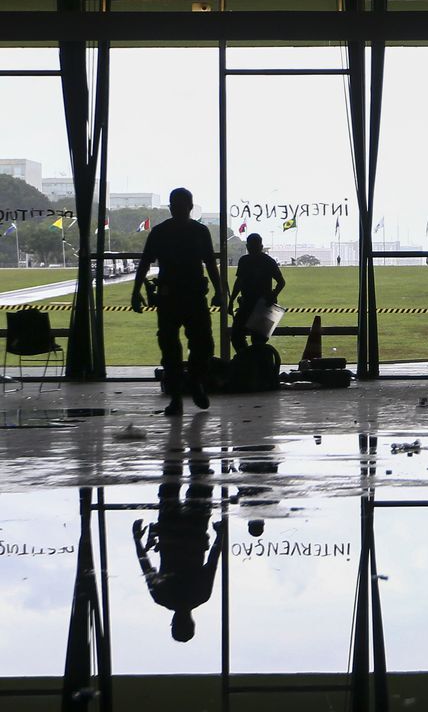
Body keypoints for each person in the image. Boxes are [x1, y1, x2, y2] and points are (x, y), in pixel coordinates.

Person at [131, 187, 223, 416]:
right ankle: (194, 383)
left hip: (170, 298)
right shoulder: (199, 231)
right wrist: (220, 291)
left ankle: (178, 397)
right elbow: (210, 264)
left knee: (172, 349)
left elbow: (144, 263)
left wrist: (136, 292)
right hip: (191, 297)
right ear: (191, 206)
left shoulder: (161, 232)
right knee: (200, 345)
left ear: (172, 207)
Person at [133, 415, 223, 643]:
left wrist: (220, 535)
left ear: (192, 622)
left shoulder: (201, 596)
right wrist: (137, 540)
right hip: (170, 532)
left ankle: (194, 438)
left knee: (200, 481)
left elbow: (212, 562)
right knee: (171, 481)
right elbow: (146, 567)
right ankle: (175, 433)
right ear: (173, 623)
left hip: (194, 531)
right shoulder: (162, 598)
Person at [228, 233, 285, 355]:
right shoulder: (268, 261)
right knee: (258, 342)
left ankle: (246, 360)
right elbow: (281, 282)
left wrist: (232, 300)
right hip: (264, 305)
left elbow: (239, 282)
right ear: (261, 246)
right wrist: (273, 295)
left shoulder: (244, 261)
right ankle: (255, 362)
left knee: (237, 337)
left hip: (249, 303)